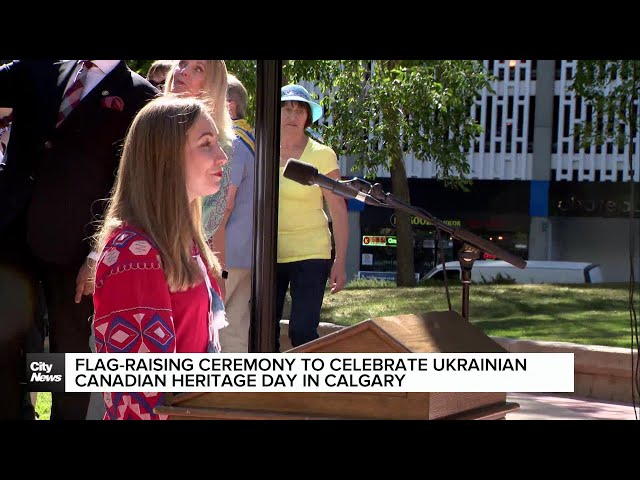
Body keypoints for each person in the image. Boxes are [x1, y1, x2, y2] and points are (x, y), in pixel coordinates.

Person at [0, 60, 158, 420]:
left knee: (67, 360)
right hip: (12, 239)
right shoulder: (38, 68)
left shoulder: (141, 96)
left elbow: (128, 185)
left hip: (75, 252)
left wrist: (96, 253)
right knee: (5, 345)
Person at [91, 95, 228, 420]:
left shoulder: (186, 243)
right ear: (165, 157)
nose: (221, 156)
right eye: (206, 144)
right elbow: (138, 394)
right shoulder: (132, 254)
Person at [275, 84, 349, 352]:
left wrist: (340, 262)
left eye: (298, 110)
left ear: (308, 117)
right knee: (263, 329)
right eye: (285, 108)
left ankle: (307, 390)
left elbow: (339, 211)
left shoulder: (322, 154)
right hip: (269, 254)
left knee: (302, 330)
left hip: (311, 253)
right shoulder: (259, 149)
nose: (292, 116)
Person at [163, 60, 236, 297]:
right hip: (140, 254)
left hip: (186, 267)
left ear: (212, 85)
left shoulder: (221, 147)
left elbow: (217, 221)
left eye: (198, 69)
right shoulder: (147, 126)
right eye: (182, 63)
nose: (183, 71)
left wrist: (220, 275)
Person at [215, 74, 255, 353]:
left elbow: (224, 201)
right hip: (248, 251)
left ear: (228, 106)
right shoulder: (253, 139)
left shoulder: (232, 142)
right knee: (236, 327)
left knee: (212, 322)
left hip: (225, 250)